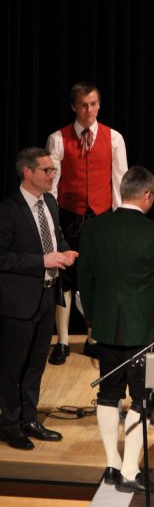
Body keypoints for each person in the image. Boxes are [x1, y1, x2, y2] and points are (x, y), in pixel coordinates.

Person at [77, 166, 154, 493]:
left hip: (106, 326)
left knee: (108, 394)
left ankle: (112, 465)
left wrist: (94, 318)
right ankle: (130, 472)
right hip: (143, 332)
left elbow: (84, 278)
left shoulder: (94, 228)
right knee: (142, 399)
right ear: (148, 196)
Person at [0, 148, 78, 450]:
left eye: (53, 170)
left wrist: (65, 250)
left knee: (36, 364)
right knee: (12, 368)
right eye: (46, 170)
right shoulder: (8, 210)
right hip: (18, 302)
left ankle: (29, 419)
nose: (52, 175)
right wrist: (41, 261)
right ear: (27, 172)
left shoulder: (51, 203)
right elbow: (3, 258)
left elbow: (55, 238)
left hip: (47, 295)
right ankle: (9, 424)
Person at [46, 81, 128, 365]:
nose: (89, 110)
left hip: (102, 218)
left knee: (99, 279)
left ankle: (94, 338)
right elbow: (51, 185)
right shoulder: (58, 139)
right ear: (74, 107)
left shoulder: (114, 138)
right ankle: (63, 341)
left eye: (93, 104)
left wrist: (120, 221)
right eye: (83, 105)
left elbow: (119, 181)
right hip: (68, 217)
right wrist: (52, 221)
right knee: (65, 279)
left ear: (99, 105)